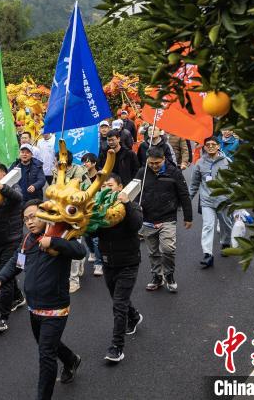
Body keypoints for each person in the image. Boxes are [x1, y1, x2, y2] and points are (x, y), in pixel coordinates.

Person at [0, 199, 84, 399]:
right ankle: (71, 360)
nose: (30, 222)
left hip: (56, 309)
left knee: (46, 355)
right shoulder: (28, 241)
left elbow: (80, 251)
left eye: (33, 216)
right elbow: (16, 262)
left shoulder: (62, 235)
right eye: (26, 219)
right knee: (47, 345)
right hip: (34, 308)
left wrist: (55, 242)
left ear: (46, 215)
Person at [98, 174, 143, 362]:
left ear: (120, 187)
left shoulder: (132, 205)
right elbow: (92, 230)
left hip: (128, 262)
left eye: (110, 185)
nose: (106, 189)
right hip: (108, 262)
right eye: (103, 186)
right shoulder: (99, 208)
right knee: (118, 299)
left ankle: (117, 347)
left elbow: (136, 225)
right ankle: (134, 316)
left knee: (118, 303)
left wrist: (127, 203)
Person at [137, 147, 192, 293]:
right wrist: (136, 208)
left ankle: (169, 275)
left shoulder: (174, 172)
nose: (154, 166)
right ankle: (157, 276)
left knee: (168, 249)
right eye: (151, 163)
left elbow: (184, 194)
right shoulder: (142, 173)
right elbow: (134, 192)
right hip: (148, 218)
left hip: (167, 217)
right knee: (153, 251)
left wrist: (188, 217)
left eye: (157, 163)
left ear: (163, 159)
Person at [0, 162, 26, 332]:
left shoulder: (13, 187)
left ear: (3, 173)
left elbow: (18, 198)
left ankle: (2, 318)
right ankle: (18, 297)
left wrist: (0, 186)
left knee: (5, 278)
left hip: (13, 241)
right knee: (3, 272)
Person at [189, 136, 234, 267]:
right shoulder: (200, 163)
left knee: (226, 224)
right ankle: (208, 254)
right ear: (204, 147)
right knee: (208, 226)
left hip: (223, 200)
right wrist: (187, 201)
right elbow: (194, 184)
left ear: (218, 146)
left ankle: (225, 243)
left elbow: (235, 181)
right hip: (207, 200)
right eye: (207, 144)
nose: (210, 146)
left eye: (213, 144)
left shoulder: (227, 162)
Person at [80, 153, 103, 277]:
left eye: (87, 161)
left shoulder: (101, 176)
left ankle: (99, 264)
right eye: (83, 161)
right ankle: (92, 253)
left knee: (96, 239)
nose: (85, 164)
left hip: (97, 210)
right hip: (85, 210)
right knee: (87, 235)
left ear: (94, 163)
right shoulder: (81, 177)